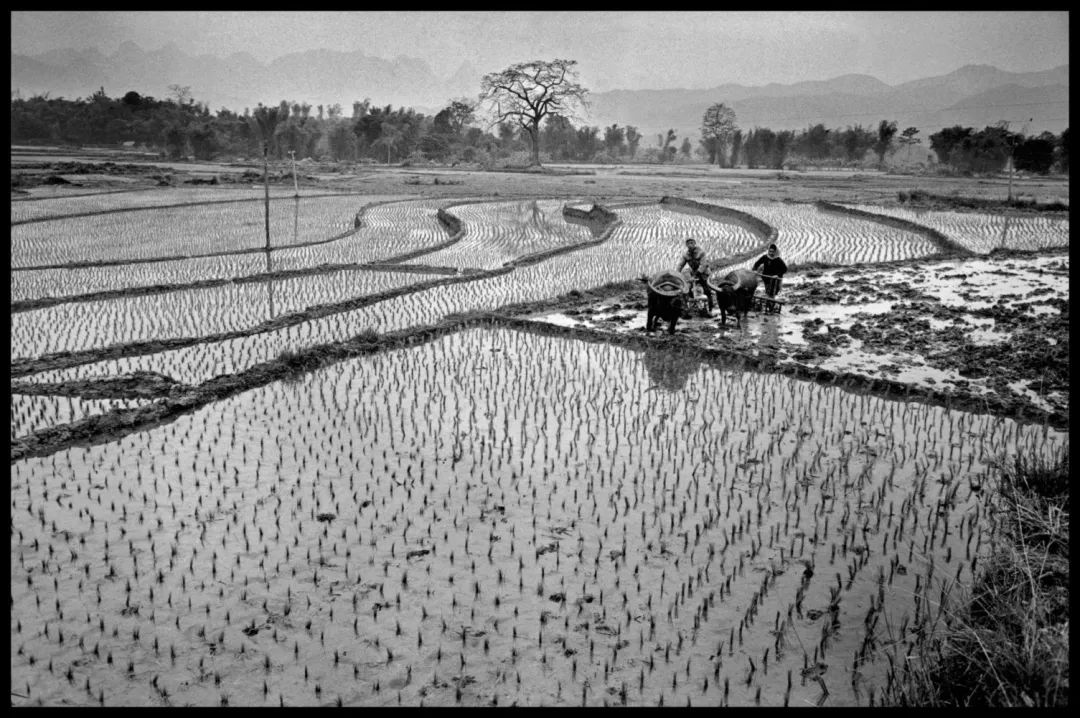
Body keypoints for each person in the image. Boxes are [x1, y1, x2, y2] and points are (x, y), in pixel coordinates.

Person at [676, 237, 714, 316]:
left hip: (704, 273)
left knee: (707, 290)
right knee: (688, 290)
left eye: (691, 243)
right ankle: (691, 308)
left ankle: (710, 309)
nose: (690, 245)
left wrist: (698, 273)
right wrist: (677, 273)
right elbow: (680, 265)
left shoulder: (701, 253)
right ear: (686, 245)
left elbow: (703, 264)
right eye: (688, 243)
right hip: (693, 274)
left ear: (694, 243)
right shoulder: (686, 255)